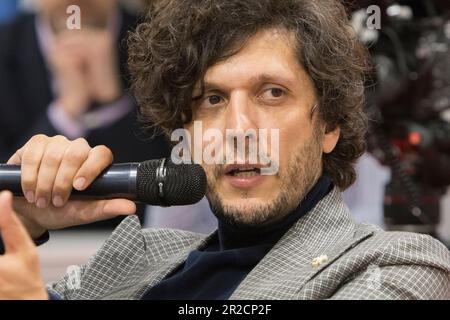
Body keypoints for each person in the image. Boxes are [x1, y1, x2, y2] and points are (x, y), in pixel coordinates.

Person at [0, 0, 449, 300]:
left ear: (329, 124)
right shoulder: (136, 255)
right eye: (212, 99)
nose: (238, 128)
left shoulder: (401, 265)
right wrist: (14, 223)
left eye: (272, 93)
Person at [0, 0, 169, 227]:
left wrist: (112, 105)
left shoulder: (165, 42)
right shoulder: (5, 44)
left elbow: (171, 181)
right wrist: (66, 112)